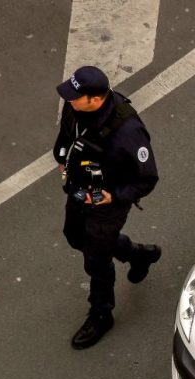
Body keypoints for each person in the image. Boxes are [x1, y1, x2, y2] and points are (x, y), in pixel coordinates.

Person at [53, 66, 161, 350]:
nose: (68, 99)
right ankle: (137, 255)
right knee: (75, 236)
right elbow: (65, 140)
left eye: (75, 96)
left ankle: (101, 314)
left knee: (96, 259)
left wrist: (113, 196)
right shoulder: (74, 109)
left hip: (107, 205)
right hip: (78, 190)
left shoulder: (128, 131)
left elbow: (147, 179)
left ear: (95, 99)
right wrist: (63, 160)